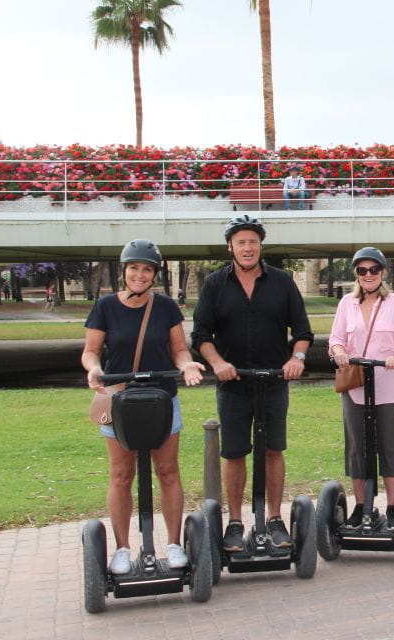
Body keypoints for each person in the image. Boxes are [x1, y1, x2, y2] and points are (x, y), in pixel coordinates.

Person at [81, 239, 205, 575]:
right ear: (124, 271)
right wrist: (93, 368)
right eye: (134, 268)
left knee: (167, 471)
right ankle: (122, 548)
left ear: (154, 274)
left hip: (161, 399)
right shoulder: (106, 306)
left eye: (146, 269)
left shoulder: (165, 308)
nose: (139, 274)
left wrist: (187, 365)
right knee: (121, 475)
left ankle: (175, 544)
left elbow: (179, 349)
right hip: (119, 399)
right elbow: (91, 350)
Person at [191, 214, 313, 552]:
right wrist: (218, 363)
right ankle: (234, 522)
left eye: (253, 242)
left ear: (261, 246)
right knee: (234, 453)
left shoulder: (282, 281)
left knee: (274, 449)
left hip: (273, 380)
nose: (248, 247)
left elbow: (302, 332)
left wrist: (296, 359)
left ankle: (274, 519)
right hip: (234, 384)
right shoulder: (216, 284)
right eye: (241, 242)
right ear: (230, 246)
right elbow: (200, 334)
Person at [329, 247, 394, 530]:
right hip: (355, 387)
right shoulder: (346, 304)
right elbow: (336, 338)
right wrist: (340, 351)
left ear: (383, 273)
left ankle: (391, 507)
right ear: (356, 274)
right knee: (357, 448)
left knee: (389, 445)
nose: (368, 275)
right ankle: (361, 505)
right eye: (362, 270)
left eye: (374, 270)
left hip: (388, 386)